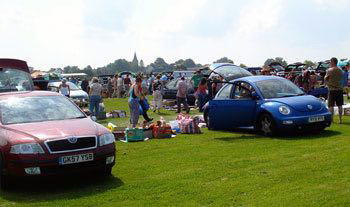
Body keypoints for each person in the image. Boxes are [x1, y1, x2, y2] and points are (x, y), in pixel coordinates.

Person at [325, 57, 344, 124]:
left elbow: (325, 79)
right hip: (339, 89)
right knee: (340, 105)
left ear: (332, 62)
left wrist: (328, 83)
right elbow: (341, 78)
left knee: (331, 105)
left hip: (332, 89)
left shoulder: (329, 70)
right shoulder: (340, 70)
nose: (330, 63)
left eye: (330, 62)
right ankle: (340, 120)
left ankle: (332, 119)